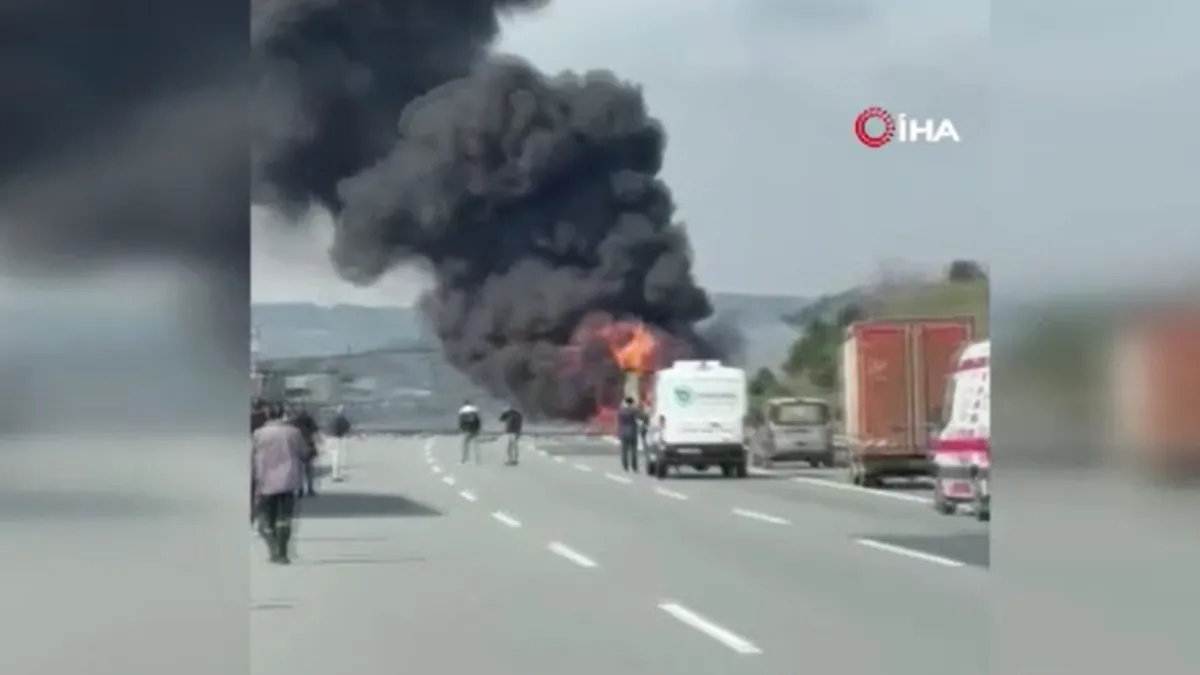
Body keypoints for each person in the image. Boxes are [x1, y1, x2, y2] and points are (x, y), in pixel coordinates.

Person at [252, 404, 306, 564]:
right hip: (288, 480)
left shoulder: (259, 434)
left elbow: (252, 456)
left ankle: (273, 548)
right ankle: (282, 553)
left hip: (265, 481)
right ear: (283, 414)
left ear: (267, 415)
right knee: (284, 518)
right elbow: (303, 452)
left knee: (266, 520)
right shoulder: (293, 432)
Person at [289, 406, 321, 497]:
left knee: (299, 470)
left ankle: (300, 489)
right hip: (308, 445)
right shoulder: (310, 421)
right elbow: (316, 433)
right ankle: (310, 489)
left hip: (298, 446)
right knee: (309, 469)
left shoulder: (294, 422)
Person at [327, 405, 352, 482]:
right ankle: (336, 475)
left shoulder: (332, 418)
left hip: (329, 438)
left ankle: (334, 474)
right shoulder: (342, 419)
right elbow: (347, 428)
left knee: (333, 457)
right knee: (337, 458)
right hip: (337, 438)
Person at [616, 397, 641, 472]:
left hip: (623, 432)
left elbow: (619, 422)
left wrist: (619, 432)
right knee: (633, 450)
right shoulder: (635, 411)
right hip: (633, 432)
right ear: (632, 403)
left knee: (624, 450)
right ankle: (634, 466)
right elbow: (640, 418)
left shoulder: (621, 411)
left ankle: (625, 466)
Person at [458, 400, 482, 464]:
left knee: (466, 442)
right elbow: (478, 419)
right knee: (475, 442)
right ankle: (477, 458)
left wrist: (461, 429)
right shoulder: (475, 408)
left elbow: (461, 420)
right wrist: (478, 428)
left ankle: (465, 457)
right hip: (474, 426)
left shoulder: (462, 410)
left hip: (466, 427)